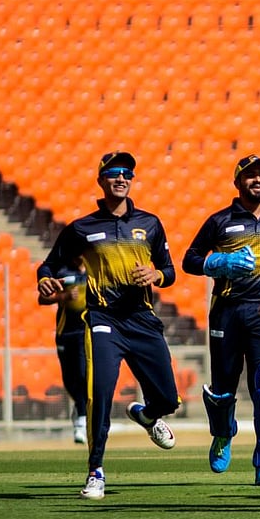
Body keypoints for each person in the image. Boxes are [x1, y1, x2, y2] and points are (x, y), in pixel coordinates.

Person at [36, 151, 180, 500]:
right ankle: (95, 472)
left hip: (142, 320)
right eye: (114, 172)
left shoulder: (150, 223)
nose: (121, 178)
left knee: (168, 398)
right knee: (98, 394)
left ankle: (148, 416)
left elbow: (169, 270)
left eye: (127, 173)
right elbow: (48, 265)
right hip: (104, 320)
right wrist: (44, 280)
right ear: (101, 180)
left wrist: (156, 275)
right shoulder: (82, 228)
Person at [182, 154, 260, 486]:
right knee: (223, 388)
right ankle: (223, 433)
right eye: (251, 175)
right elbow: (189, 260)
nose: (258, 180)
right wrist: (220, 263)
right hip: (227, 311)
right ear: (237, 181)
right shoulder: (220, 221)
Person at [37, 257, 88, 444]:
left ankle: (82, 418)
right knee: (69, 379)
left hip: (87, 332)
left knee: (83, 375)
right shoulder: (62, 271)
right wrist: (64, 297)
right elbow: (42, 299)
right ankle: (80, 407)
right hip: (65, 333)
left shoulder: (94, 269)